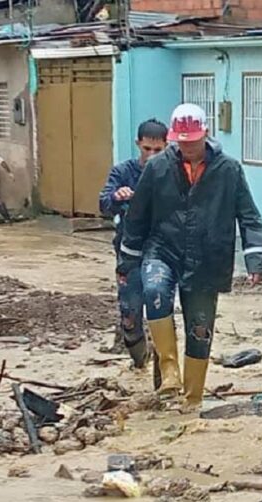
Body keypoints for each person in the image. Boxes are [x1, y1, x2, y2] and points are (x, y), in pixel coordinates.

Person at [119, 104, 262, 409]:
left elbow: (249, 216)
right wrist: (128, 260)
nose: (186, 147)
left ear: (206, 134)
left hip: (208, 256)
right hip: (162, 248)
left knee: (200, 328)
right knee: (155, 291)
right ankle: (169, 370)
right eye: (181, 141)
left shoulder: (228, 170)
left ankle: (192, 401)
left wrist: (257, 260)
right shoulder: (158, 167)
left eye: (192, 141)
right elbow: (137, 217)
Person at [99, 118, 168, 369]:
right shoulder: (123, 172)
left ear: (167, 146)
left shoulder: (172, 173)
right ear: (138, 144)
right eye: (146, 149)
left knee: (161, 306)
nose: (151, 155)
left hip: (163, 251)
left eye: (157, 150)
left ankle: (165, 369)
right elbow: (103, 203)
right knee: (130, 312)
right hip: (129, 252)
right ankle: (140, 362)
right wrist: (117, 197)